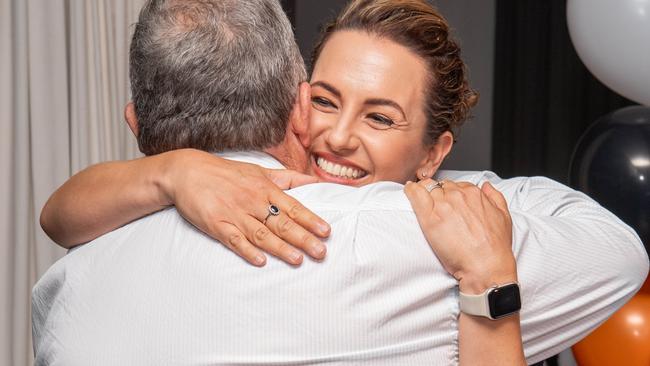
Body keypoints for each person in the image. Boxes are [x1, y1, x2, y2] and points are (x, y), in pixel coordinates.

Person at [33, 0, 647, 365]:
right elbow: (613, 247)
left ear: (434, 153)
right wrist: (172, 172)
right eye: (326, 101)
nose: (338, 138)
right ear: (296, 104)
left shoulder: (68, 279)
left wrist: (169, 169)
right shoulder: (412, 248)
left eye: (380, 117)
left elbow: (57, 218)